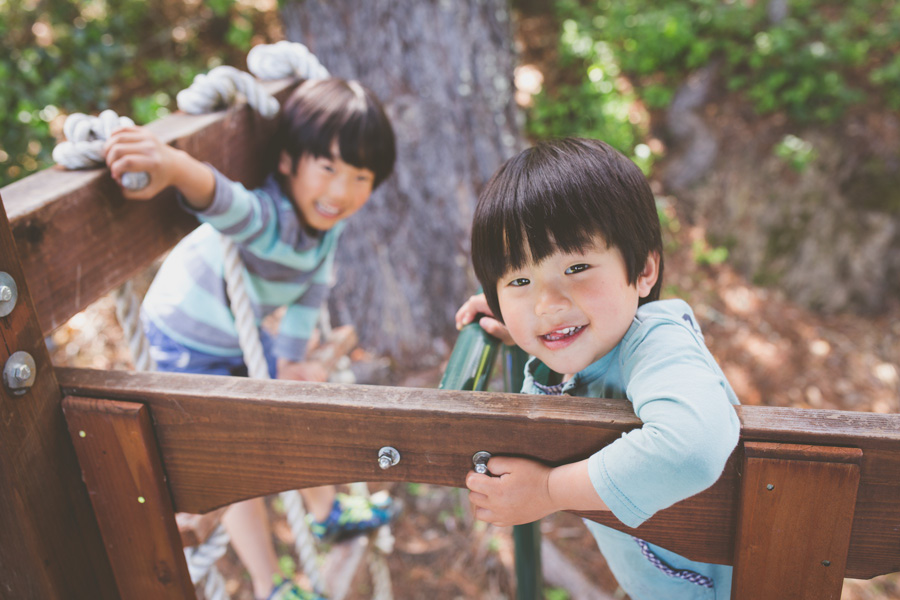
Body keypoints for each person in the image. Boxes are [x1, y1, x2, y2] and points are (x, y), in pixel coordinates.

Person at [104, 78, 398, 600]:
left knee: (295, 403)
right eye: (328, 168)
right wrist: (172, 166)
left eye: (361, 177)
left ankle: (326, 511)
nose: (341, 191)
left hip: (236, 338)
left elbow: (313, 291)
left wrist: (289, 363)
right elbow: (222, 199)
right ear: (288, 162)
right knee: (236, 466)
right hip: (184, 341)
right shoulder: (273, 220)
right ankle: (270, 584)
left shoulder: (328, 226)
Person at [456, 137, 740, 599]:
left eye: (577, 267)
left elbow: (692, 448)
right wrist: (522, 328)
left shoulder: (658, 343)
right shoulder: (591, 344)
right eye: (521, 281)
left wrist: (549, 490)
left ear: (644, 270)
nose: (548, 304)